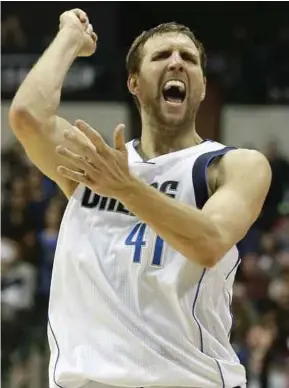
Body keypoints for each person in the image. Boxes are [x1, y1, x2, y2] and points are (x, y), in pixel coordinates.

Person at [9, 8, 272, 388]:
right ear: (134, 82)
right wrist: (70, 36)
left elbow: (209, 242)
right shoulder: (99, 164)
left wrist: (126, 189)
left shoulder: (233, 165)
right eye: (162, 56)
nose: (177, 63)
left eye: (189, 59)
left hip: (187, 380)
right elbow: (27, 117)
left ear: (200, 86)